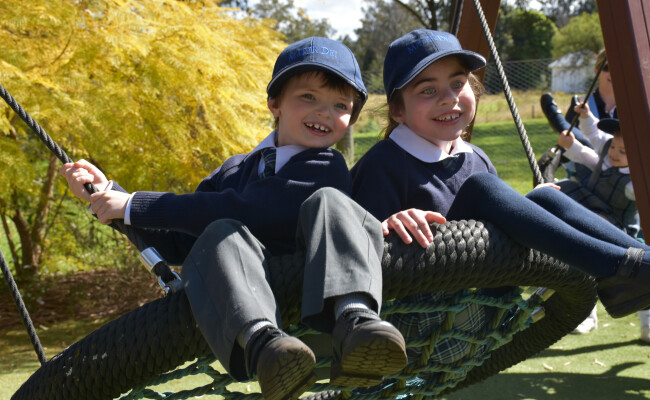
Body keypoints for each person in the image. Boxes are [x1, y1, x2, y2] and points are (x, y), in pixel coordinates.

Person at [60, 37, 407, 400]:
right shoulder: (235, 170)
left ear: (350, 118)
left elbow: (254, 210)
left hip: (325, 314)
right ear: (275, 103)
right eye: (308, 97)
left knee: (331, 204)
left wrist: (133, 204)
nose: (324, 112)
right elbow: (179, 240)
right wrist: (110, 194)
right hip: (257, 315)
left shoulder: (327, 166)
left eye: (340, 105)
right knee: (218, 233)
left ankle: (358, 319)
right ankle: (267, 347)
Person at [351, 28, 650, 344]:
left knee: (544, 197)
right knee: (483, 187)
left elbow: (501, 230)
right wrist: (384, 224)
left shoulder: (473, 156)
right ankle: (621, 267)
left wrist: (535, 206)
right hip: (422, 325)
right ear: (398, 110)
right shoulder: (382, 164)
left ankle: (638, 264)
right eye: (427, 90)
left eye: (458, 83)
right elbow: (350, 248)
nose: (449, 98)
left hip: (488, 305)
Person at [556, 105, 648, 339]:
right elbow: (596, 137)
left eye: (623, 151)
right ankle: (585, 315)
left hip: (616, 229)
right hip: (590, 212)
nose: (615, 153)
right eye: (615, 147)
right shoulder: (609, 149)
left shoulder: (632, 185)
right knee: (580, 266)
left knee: (639, 277)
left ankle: (648, 322)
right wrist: (585, 117)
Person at [540, 49, 616, 184]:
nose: (612, 72)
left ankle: (559, 121)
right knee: (579, 138)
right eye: (606, 68)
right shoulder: (581, 102)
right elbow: (567, 142)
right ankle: (562, 124)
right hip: (586, 171)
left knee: (605, 145)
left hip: (618, 167)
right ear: (596, 71)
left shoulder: (631, 108)